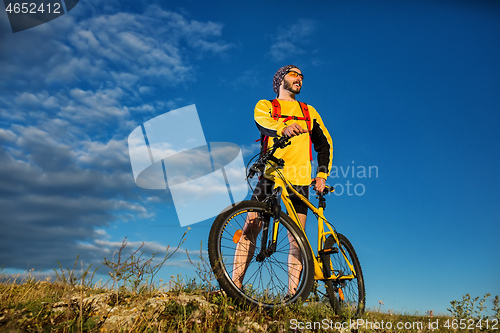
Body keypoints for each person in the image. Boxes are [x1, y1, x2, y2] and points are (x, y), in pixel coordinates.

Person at [232, 65, 334, 294]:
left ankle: (293, 294)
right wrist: (283, 127)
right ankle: (234, 285)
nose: (299, 78)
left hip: (299, 178)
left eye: (301, 76)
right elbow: (262, 122)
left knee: (296, 237)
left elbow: (324, 143)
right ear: (280, 79)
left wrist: (321, 174)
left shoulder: (309, 111)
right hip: (271, 175)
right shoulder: (267, 105)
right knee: (251, 227)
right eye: (294, 74)